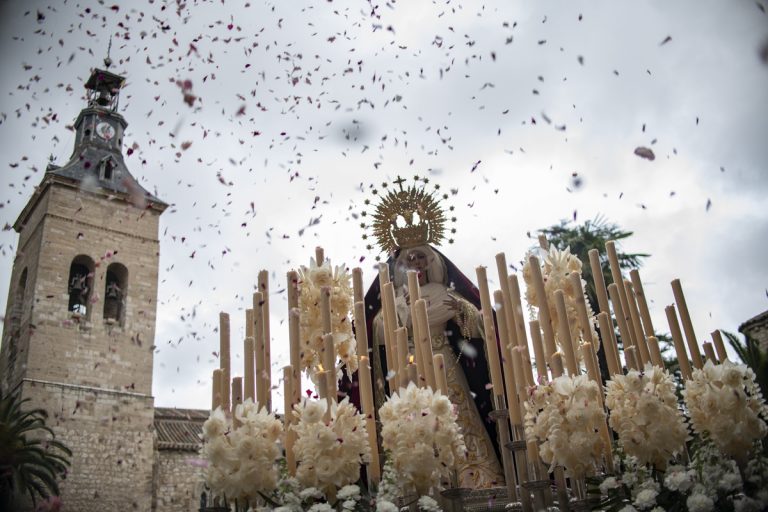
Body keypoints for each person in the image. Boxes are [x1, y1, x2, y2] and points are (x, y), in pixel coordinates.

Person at [363, 244, 505, 489]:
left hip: (444, 361)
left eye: (421, 257)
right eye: (410, 258)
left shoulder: (441, 291)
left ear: (430, 261)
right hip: (409, 364)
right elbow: (378, 331)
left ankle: (475, 477)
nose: (416, 262)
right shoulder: (395, 298)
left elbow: (475, 325)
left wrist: (462, 309)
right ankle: (420, 483)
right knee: (413, 419)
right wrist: (400, 311)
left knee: (457, 413)